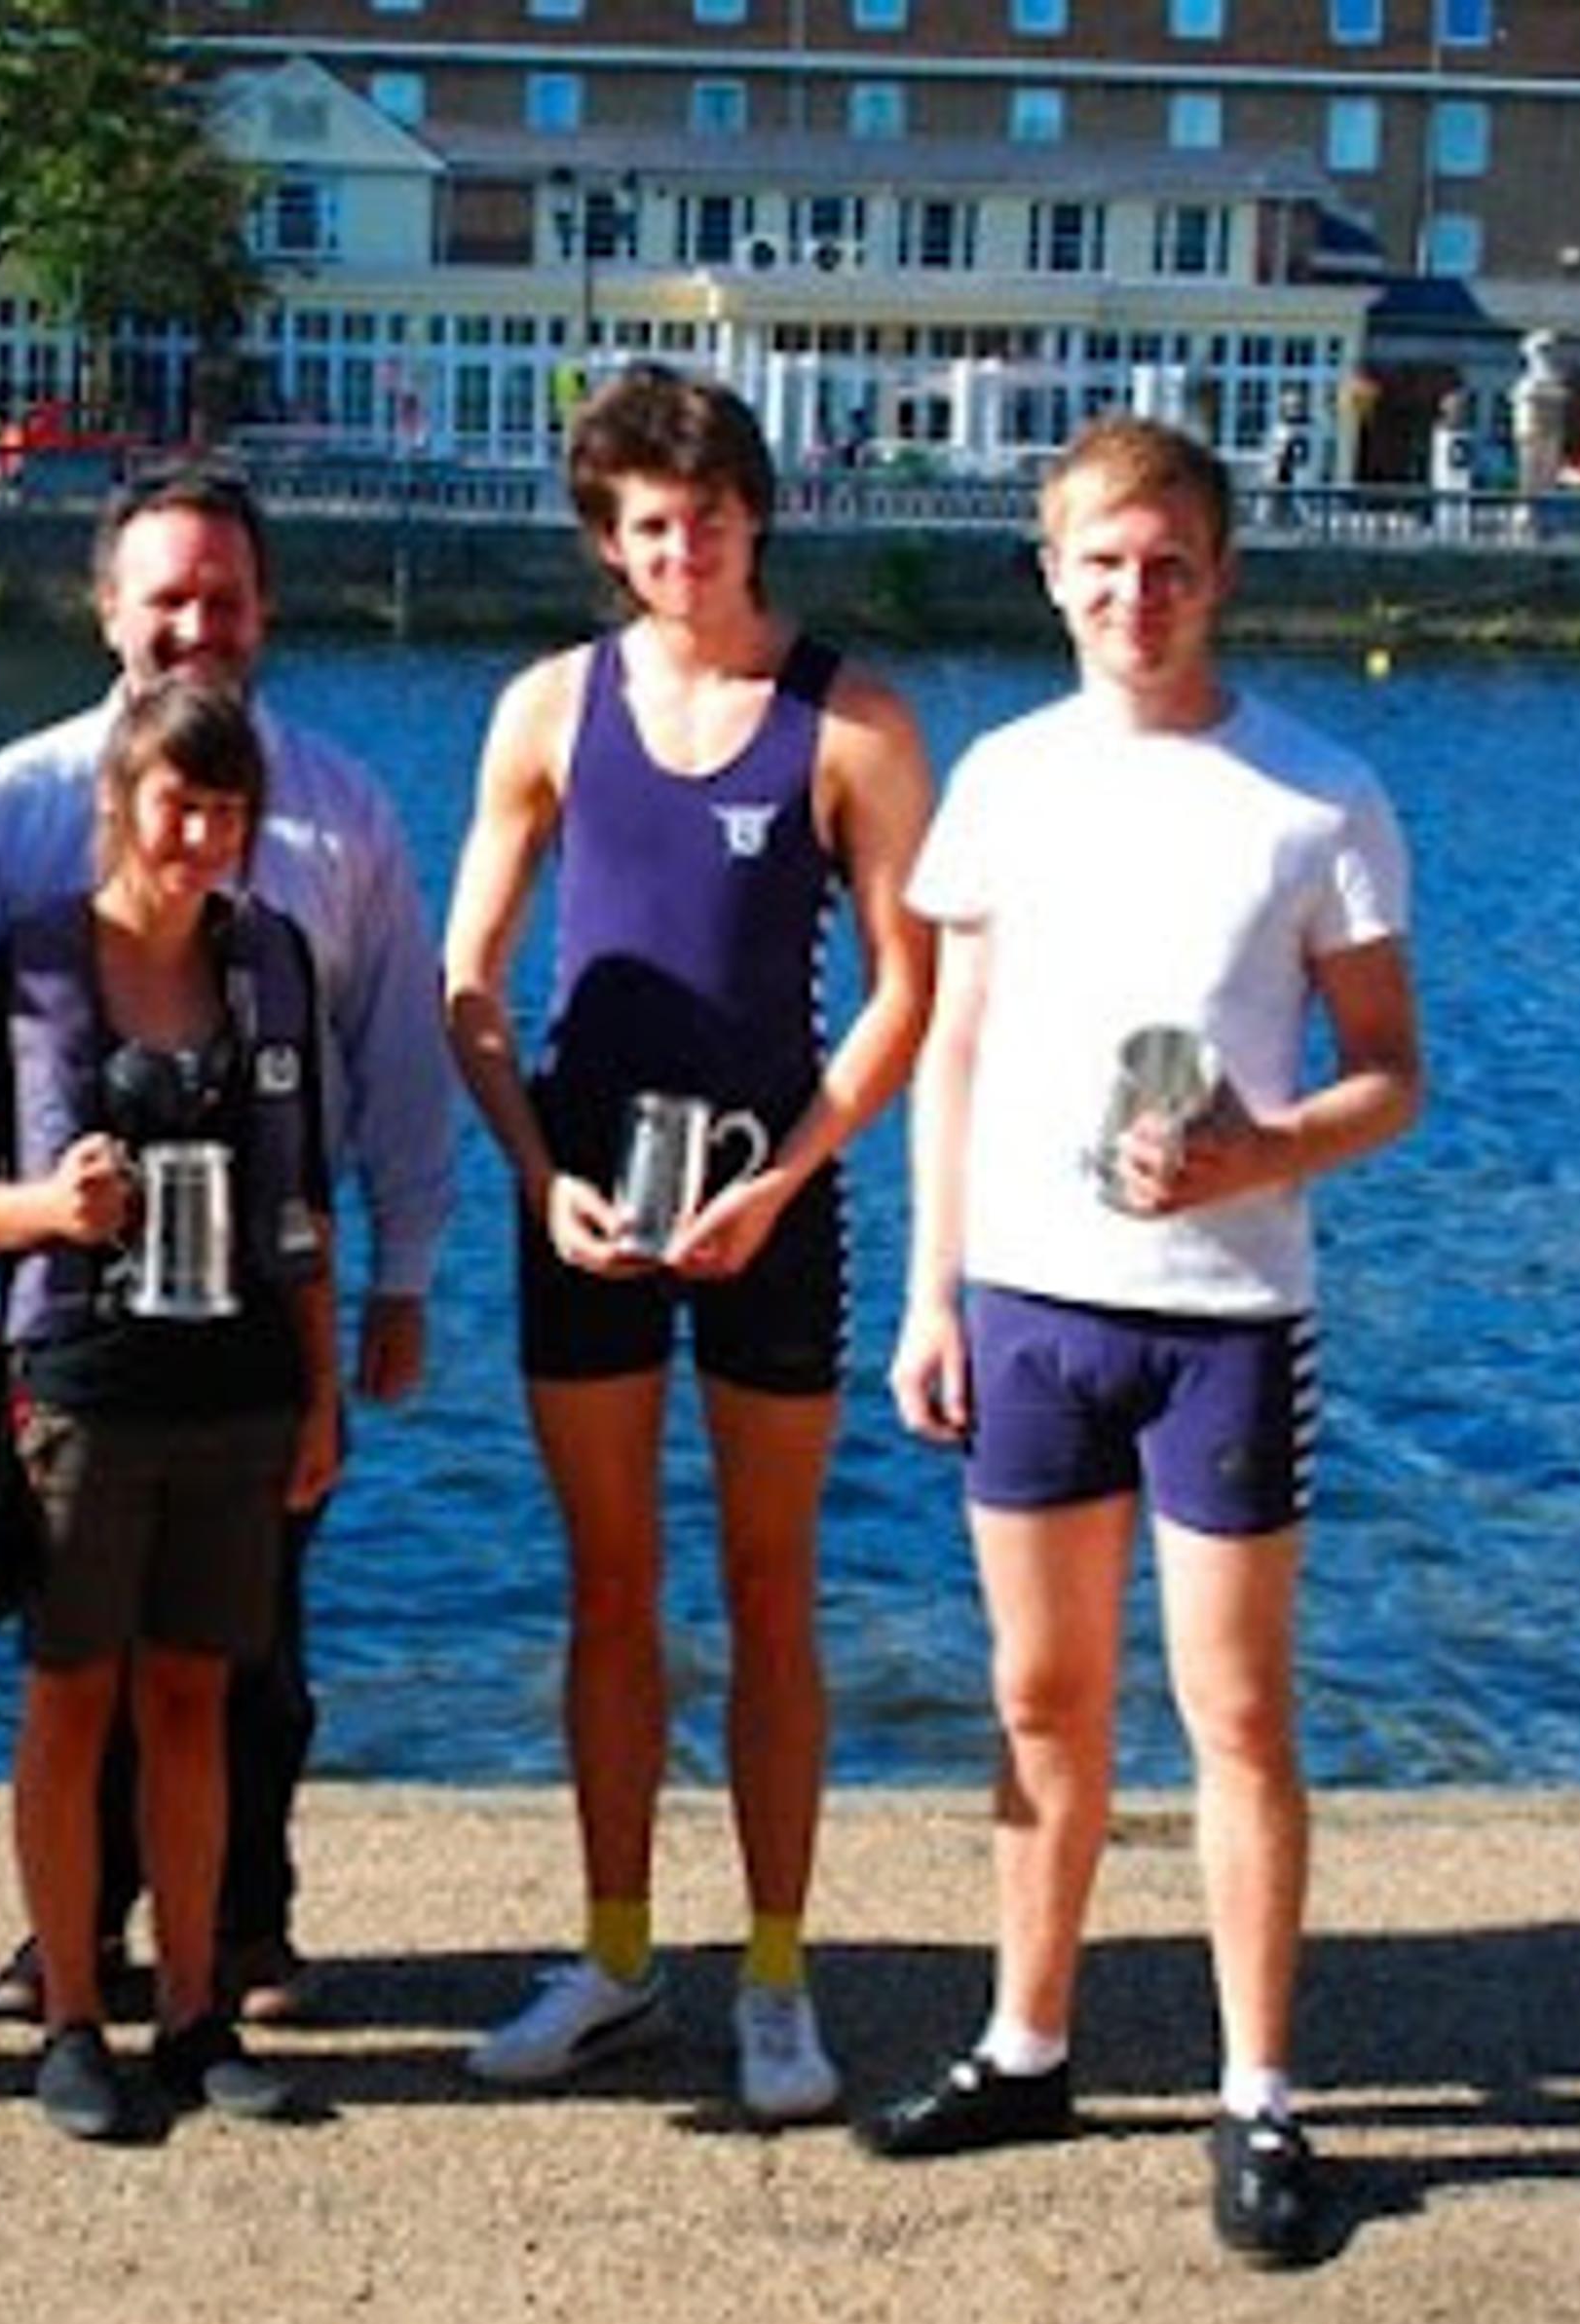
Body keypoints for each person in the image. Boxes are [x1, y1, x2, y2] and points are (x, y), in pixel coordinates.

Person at [851, 414, 1424, 2269]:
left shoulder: (1316, 797)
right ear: (1052, 575)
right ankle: (1027, 2041)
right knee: (1040, 1698)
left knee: (1234, 1712)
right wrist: (931, 1289)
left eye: (1170, 562)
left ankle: (1260, 2090)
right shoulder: (1005, 781)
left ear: (1221, 570)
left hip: (1227, 1319)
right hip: (1032, 1303)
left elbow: (1393, 1074)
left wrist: (1265, 1149)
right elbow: (949, 1047)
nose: (1136, 593)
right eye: (1102, 562)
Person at [441, 364, 934, 2123]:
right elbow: (470, 979)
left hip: (767, 1208)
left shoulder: (853, 722)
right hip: (586, 1196)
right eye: (649, 527)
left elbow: (906, 995)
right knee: (608, 1585)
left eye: (708, 519)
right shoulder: (547, 711)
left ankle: (778, 1974)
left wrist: (787, 1179)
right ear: (608, 538)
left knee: (771, 1587)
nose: (682, 552)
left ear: (756, 516)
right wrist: (533, 1175)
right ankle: (617, 1953)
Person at [0, 459, 456, 2024]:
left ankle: (242, 1927)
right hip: (69, 1318)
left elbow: (396, 1054)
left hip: (260, 1309)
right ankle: (76, 1934)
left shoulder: (341, 813)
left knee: (250, 1642)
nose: (197, 626)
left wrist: (402, 1280)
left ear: (265, 609)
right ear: (108, 610)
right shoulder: (13, 805)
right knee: (74, 1638)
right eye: (167, 599)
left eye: (225, 598)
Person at [0, 676, 347, 2139]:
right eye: (180, 806)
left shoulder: (272, 960)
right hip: (86, 1386)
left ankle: (193, 2013)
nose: (203, 838)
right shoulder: (30, 967)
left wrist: (323, 1394)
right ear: (119, 801)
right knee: (70, 1693)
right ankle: (70, 2017)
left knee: (194, 1696)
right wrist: (50, 1208)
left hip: (240, 1386)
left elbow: (305, 1201)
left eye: (230, 812)